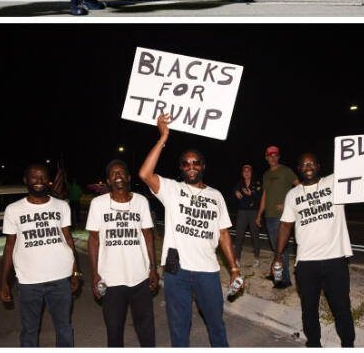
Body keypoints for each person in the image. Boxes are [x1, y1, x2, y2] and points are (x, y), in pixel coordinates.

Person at [138, 113, 241, 347]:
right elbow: (145, 174)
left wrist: (234, 268)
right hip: (178, 272)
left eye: (196, 163)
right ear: (181, 168)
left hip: (208, 271)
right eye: (186, 163)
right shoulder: (172, 189)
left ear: (203, 166)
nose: (191, 167)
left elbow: (224, 233)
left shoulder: (216, 196)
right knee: (179, 327)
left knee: (216, 325)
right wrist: (163, 137)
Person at [270, 151, 356, 347]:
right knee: (308, 309)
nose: (307, 167)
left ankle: (348, 345)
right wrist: (277, 257)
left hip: (335, 260)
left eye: (311, 163)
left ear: (318, 165)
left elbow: (359, 165)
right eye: (303, 165)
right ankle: (314, 344)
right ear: (298, 169)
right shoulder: (293, 194)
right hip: (306, 263)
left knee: (342, 308)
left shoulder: (334, 183)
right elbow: (285, 226)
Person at [0, 163, 81, 347]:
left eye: (43, 177)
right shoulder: (13, 209)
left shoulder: (61, 206)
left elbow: (68, 239)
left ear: (49, 181)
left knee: (64, 327)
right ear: (26, 180)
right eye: (34, 177)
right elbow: (10, 245)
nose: (39, 181)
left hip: (60, 277)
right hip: (29, 281)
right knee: (29, 330)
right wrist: (4, 281)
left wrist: (75, 272)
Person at [86, 159, 158, 347]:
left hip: (139, 277)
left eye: (121, 173)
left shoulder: (141, 201)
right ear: (108, 181)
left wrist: (153, 268)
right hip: (111, 280)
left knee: (146, 328)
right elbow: (93, 240)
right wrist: (94, 275)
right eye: (113, 174)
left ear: (128, 178)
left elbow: (147, 235)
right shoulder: (98, 204)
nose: (117, 176)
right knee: (114, 330)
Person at [256, 145, 299, 288]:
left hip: (282, 216)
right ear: (266, 158)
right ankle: (276, 272)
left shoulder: (285, 171)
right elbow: (265, 194)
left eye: (275, 155)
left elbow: (299, 187)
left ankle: (285, 280)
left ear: (278, 157)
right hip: (269, 215)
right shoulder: (266, 174)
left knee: (282, 248)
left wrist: (287, 204)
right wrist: (259, 214)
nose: (273, 158)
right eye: (270, 155)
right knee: (276, 247)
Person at [231, 163, 263, 269]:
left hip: (254, 212)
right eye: (245, 171)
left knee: (255, 236)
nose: (246, 173)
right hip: (242, 212)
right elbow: (232, 199)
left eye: (248, 171)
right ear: (242, 173)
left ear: (251, 172)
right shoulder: (239, 184)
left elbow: (261, 199)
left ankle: (257, 258)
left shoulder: (257, 183)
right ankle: (237, 259)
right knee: (239, 235)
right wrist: (235, 193)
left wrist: (251, 194)